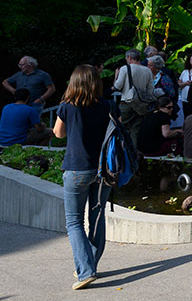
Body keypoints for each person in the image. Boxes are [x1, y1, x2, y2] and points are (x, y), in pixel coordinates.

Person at [52, 65, 112, 290]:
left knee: (74, 222)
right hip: (104, 170)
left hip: (77, 169)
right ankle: (89, 264)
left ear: (74, 82)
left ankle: (86, 270)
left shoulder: (67, 106)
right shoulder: (107, 105)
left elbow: (58, 133)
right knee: (97, 217)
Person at [113, 48, 155, 137]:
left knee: (118, 126)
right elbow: (150, 90)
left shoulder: (125, 68)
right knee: (135, 130)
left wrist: (116, 75)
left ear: (129, 58)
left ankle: (120, 149)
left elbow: (118, 86)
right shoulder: (147, 70)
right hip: (141, 104)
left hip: (127, 102)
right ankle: (134, 150)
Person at [177, 52, 192, 124]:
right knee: (187, 115)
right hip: (185, 97)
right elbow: (179, 84)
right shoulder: (185, 72)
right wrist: (186, 83)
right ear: (189, 61)